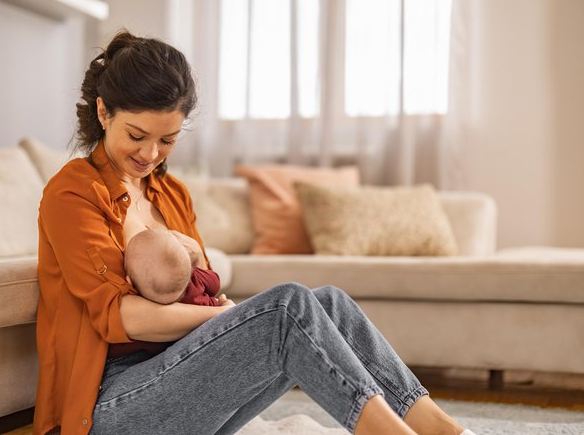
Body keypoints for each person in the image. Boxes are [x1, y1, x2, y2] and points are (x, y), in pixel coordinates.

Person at [34, 30, 478, 435]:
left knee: (330, 304)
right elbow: (124, 318)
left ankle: (443, 429)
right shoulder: (72, 195)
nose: (151, 154)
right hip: (110, 405)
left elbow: (203, 293)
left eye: (167, 140)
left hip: (182, 372)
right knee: (288, 306)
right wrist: (230, 318)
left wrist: (225, 314)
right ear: (103, 112)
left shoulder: (171, 193)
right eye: (137, 135)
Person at [124, 228, 223, 307]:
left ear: (130, 282)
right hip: (214, 319)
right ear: (190, 268)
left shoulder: (145, 303)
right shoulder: (195, 279)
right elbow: (215, 285)